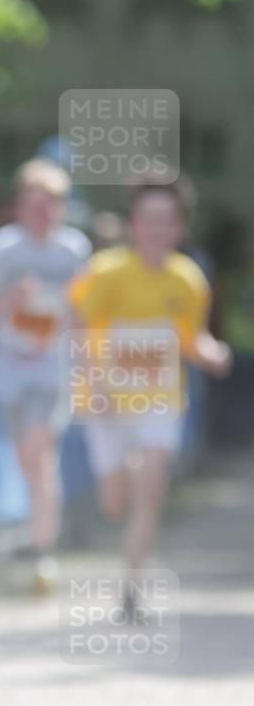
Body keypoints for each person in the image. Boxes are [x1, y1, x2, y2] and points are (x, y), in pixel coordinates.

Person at [69, 178, 232, 618]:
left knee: (152, 482)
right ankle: (125, 548)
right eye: (149, 219)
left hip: (159, 398)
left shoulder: (188, 279)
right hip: (106, 402)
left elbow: (190, 337)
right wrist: (95, 384)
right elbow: (78, 327)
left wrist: (212, 354)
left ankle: (131, 588)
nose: (158, 228)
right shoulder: (107, 272)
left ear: (179, 227)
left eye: (167, 220)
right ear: (133, 224)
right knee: (115, 501)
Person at [0, 158, 92, 592]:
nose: (43, 213)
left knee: (40, 449)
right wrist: (8, 299)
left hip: (52, 368)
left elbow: (85, 313)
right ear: (20, 206)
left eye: (52, 204)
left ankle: (42, 554)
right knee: (29, 461)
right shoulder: (1, 249)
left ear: (62, 207)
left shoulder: (74, 250)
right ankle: (41, 538)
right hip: (8, 369)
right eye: (34, 204)